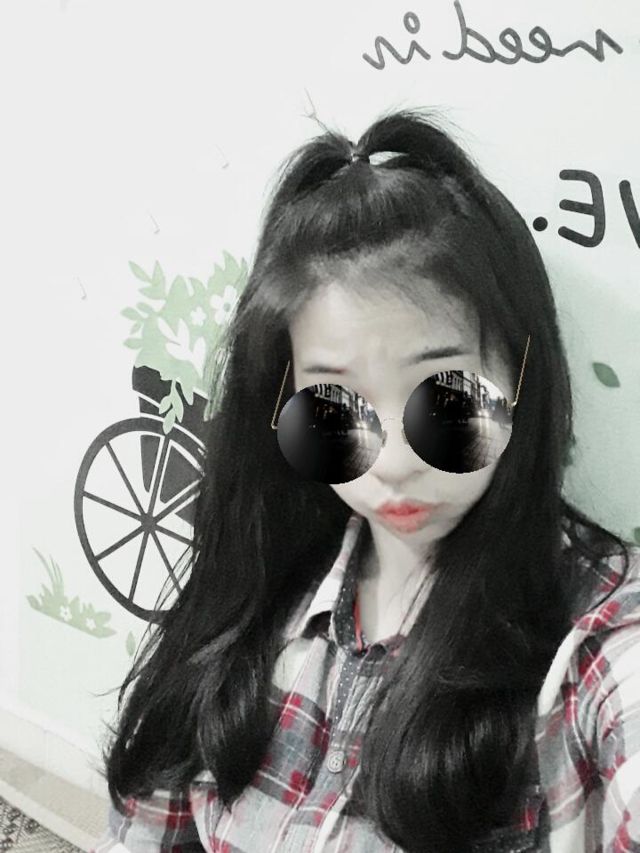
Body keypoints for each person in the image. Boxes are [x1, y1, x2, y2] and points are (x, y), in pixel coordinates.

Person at [91, 108, 640, 853]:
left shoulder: (595, 642)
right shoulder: (258, 589)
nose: (394, 463)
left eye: (446, 394)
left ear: (519, 374)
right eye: (335, 405)